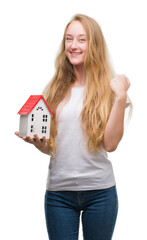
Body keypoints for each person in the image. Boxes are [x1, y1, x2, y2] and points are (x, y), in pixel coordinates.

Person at [15, 14, 132, 240]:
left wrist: (120, 98)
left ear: (94, 45)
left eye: (81, 40)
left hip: (100, 193)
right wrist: (41, 146)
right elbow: (54, 146)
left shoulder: (112, 89)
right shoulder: (55, 90)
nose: (73, 46)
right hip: (59, 195)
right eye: (69, 39)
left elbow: (111, 144)